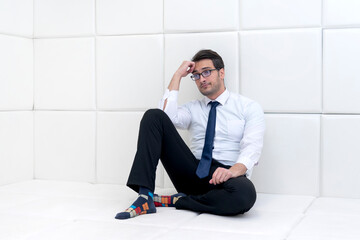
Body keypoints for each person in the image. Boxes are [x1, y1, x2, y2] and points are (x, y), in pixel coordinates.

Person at [115, 49, 265, 219]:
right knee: (154, 116)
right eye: (196, 75)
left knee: (245, 194)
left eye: (207, 72)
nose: (202, 79)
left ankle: (179, 201)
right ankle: (144, 197)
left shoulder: (248, 107)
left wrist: (232, 171)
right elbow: (165, 117)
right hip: (193, 173)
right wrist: (177, 76)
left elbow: (252, 147)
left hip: (226, 177)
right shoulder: (192, 108)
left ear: (221, 72)